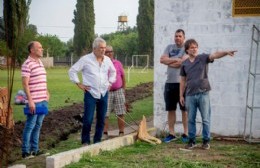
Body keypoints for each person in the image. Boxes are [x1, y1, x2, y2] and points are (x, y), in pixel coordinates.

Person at [180, 38, 237, 150]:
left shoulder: (203, 58)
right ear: (187, 50)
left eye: (196, 47)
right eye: (192, 47)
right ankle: (192, 141)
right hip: (190, 95)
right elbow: (182, 80)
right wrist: (181, 95)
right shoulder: (185, 64)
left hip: (203, 93)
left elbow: (214, 55)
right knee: (190, 119)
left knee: (205, 119)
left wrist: (225, 52)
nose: (194, 49)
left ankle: (206, 141)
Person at [68, 37, 116, 145]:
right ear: (94, 48)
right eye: (101, 48)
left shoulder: (107, 60)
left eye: (104, 48)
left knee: (101, 118)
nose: (103, 50)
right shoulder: (86, 59)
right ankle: (85, 140)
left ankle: (97, 140)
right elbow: (72, 71)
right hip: (90, 93)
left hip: (103, 92)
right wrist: (78, 83)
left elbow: (113, 72)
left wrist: (110, 82)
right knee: (88, 118)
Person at [21, 41, 50, 159]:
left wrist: (47, 92)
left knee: (38, 125)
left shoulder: (40, 63)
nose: (42, 49)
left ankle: (35, 150)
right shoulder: (27, 64)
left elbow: (42, 80)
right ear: (32, 50)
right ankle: (25, 152)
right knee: (30, 125)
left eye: (42, 47)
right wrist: (30, 100)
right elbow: (25, 84)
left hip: (43, 100)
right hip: (34, 101)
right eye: (39, 47)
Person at [160, 29, 188, 143]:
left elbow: (182, 63)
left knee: (184, 110)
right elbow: (162, 60)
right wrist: (177, 60)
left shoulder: (187, 48)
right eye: (176, 36)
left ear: (183, 37)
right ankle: (172, 134)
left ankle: (186, 133)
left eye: (180, 36)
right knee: (171, 109)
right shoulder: (169, 47)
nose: (177, 38)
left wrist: (170, 61)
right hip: (169, 84)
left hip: (182, 84)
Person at [103, 45, 126, 139]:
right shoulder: (102, 64)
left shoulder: (118, 63)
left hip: (118, 90)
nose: (109, 53)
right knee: (105, 113)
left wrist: (123, 90)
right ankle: (104, 133)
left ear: (113, 52)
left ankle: (121, 132)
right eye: (107, 52)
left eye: (110, 51)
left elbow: (123, 77)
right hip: (106, 92)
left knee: (121, 112)